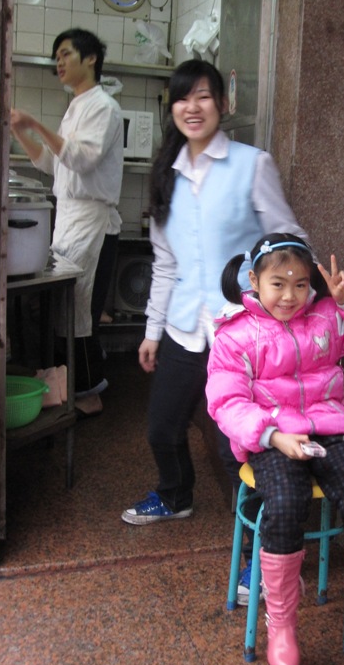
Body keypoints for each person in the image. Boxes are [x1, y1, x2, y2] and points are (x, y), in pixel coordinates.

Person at [120, 60, 312, 597]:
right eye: (183, 98)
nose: (193, 107)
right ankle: (175, 495)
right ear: (173, 108)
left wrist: (289, 296)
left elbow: (287, 236)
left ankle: (261, 555)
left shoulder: (252, 165)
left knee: (238, 452)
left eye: (204, 96)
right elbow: (165, 264)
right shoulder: (166, 175)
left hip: (242, 332)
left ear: (222, 105)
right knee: (162, 428)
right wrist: (152, 330)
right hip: (186, 328)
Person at [205, 232, 344, 665]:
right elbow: (227, 402)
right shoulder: (236, 334)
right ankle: (282, 626)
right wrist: (272, 435)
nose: (289, 296)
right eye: (278, 284)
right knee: (286, 503)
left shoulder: (326, 317)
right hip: (271, 437)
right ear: (254, 281)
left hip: (331, 428)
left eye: (300, 284)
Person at [10, 28, 124, 415]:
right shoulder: (75, 107)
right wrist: (22, 131)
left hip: (92, 221)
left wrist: (36, 124)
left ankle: (89, 393)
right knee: (64, 308)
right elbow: (53, 164)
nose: (58, 62)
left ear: (90, 58)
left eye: (65, 54)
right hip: (69, 218)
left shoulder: (103, 106)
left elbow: (82, 159)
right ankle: (65, 385)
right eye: (56, 57)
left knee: (79, 312)